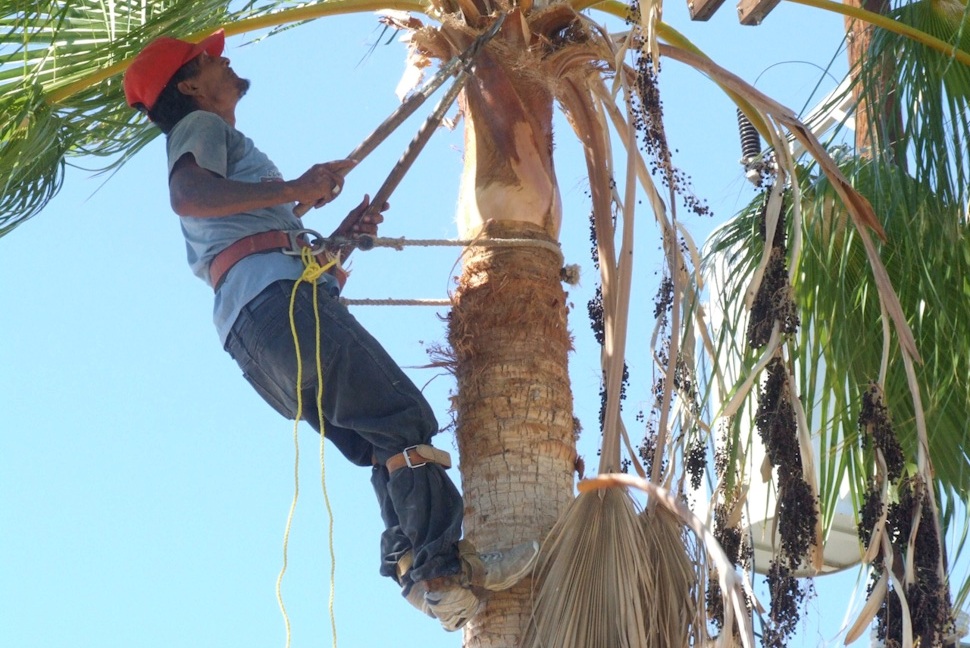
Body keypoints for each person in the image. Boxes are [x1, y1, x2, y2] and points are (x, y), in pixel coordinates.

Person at [122, 29, 537, 632]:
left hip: (257, 335)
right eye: (209, 59)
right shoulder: (204, 130)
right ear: (190, 86)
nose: (225, 58)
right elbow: (187, 195)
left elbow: (264, 249)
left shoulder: (230, 174)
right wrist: (298, 189)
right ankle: (439, 571)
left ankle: (416, 573)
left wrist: (339, 237)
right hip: (277, 309)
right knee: (402, 421)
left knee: (379, 441)